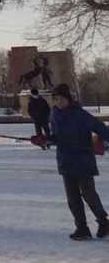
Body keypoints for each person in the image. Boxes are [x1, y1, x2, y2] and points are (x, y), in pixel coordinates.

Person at [33, 83, 109, 240]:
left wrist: (103, 141)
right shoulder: (54, 115)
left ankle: (104, 222)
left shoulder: (79, 114)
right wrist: (44, 139)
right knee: (72, 198)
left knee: (88, 194)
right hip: (65, 160)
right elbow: (57, 137)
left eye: (60, 99)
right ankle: (82, 228)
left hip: (83, 159)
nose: (58, 102)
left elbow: (100, 127)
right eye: (55, 99)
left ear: (67, 99)